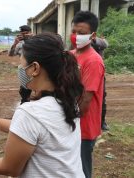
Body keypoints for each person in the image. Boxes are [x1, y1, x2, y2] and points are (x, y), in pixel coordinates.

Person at [0, 33, 85, 178]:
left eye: (21, 65)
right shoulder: (67, 101)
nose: (20, 69)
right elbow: (32, 130)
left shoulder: (30, 112)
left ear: (35, 68)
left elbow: (9, 168)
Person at [70, 11, 105, 178]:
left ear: (92, 35)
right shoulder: (71, 55)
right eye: (74, 31)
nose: (77, 36)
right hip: (71, 122)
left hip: (83, 126)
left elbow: (86, 100)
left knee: (82, 169)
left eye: (81, 33)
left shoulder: (93, 61)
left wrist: (70, 120)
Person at [9, 25, 33, 104]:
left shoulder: (37, 41)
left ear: (30, 33)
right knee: (24, 92)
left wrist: (34, 37)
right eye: (23, 34)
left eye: (26, 33)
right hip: (24, 70)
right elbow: (11, 54)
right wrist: (14, 44)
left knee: (40, 91)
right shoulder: (19, 44)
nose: (25, 35)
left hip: (37, 69)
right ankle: (25, 104)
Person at [91, 37, 109, 131]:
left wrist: (94, 40)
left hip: (98, 70)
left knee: (102, 97)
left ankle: (102, 122)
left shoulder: (97, 41)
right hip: (87, 70)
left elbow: (105, 44)